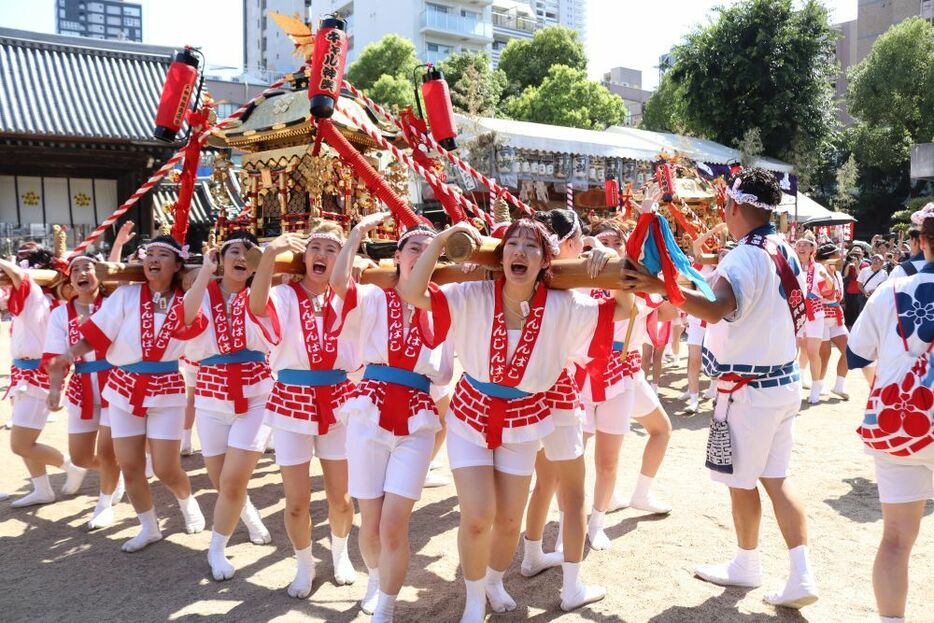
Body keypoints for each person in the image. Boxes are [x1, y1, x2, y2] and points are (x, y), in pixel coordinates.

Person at [399, 218, 631, 620]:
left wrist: (609, 259)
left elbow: (623, 312)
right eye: (512, 244)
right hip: (472, 412)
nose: (520, 251)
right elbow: (413, 291)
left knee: (509, 520)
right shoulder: (472, 293)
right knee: (477, 515)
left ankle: (493, 580)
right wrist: (442, 239)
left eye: (532, 246)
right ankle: (473, 600)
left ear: (545, 262)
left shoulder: (566, 305)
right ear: (500, 254)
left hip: (525, 417)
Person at [621, 168, 818, 609]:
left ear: (732, 207)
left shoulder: (745, 256)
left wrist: (659, 286)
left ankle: (748, 564)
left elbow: (715, 309)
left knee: (742, 483)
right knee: (775, 479)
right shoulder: (782, 248)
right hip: (782, 383)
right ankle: (800, 572)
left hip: (747, 390)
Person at [330, 214, 453, 622]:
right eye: (413, 247)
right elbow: (338, 285)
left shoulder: (445, 305)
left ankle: (385, 607)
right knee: (370, 523)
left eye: (429, 248)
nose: (421, 253)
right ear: (397, 256)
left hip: (417, 416)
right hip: (369, 410)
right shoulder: (371, 298)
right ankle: (373, 579)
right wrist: (355, 237)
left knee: (394, 524)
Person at [52, 235, 205, 552]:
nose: (154, 258)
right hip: (123, 388)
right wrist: (70, 354)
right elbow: (96, 334)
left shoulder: (186, 299)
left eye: (163, 254)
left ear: (177, 265)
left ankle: (188, 503)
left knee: (165, 467)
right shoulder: (125, 295)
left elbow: (191, 326)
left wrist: (197, 278)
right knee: (130, 464)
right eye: (150, 253)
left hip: (166, 389)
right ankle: (148, 527)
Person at [249, 222, 357, 598]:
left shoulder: (349, 296)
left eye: (332, 249)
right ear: (304, 256)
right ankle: (304, 562)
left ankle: (341, 554)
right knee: (295, 501)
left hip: (339, 399)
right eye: (316, 247)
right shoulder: (283, 294)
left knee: (340, 496)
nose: (322, 255)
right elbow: (256, 305)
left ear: (341, 259)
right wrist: (268, 254)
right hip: (291, 400)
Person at [520, 209, 614, 602]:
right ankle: (572, 587)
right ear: (571, 244)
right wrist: (606, 265)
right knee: (573, 493)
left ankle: (531, 556)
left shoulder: (517, 278)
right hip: (558, 394)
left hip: (521, 394)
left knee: (544, 482)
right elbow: (617, 324)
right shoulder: (572, 293)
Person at [846, 202, 933, 623]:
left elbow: (857, 351)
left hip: (900, 424)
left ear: (921, 242)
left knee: (896, 539)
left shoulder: (891, 290)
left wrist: (893, 384)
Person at [180, 230, 274, 582]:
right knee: (221, 480)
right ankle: (248, 514)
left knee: (232, 480)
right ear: (221, 259)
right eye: (232, 251)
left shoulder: (264, 293)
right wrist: (205, 270)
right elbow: (186, 319)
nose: (240, 257)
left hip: (256, 396)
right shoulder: (202, 294)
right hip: (210, 396)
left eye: (248, 253)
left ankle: (216, 549)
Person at [574, 218, 672, 554]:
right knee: (573, 453)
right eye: (602, 240)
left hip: (626, 371)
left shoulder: (635, 277)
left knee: (656, 431)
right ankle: (576, 516)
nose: (609, 247)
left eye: (617, 242)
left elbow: (665, 310)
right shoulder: (576, 275)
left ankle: (632, 498)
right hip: (585, 372)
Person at [2, 245, 85, 507]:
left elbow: (17, 274)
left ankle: (70, 466)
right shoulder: (51, 301)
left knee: (21, 444)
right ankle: (42, 489)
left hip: (36, 376)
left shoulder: (36, 295)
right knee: (26, 439)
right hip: (24, 374)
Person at [44, 253, 123, 528]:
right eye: (75, 269)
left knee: (107, 452)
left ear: (98, 274)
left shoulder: (114, 304)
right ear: (70, 281)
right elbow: (55, 358)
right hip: (81, 388)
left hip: (115, 384)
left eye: (87, 267)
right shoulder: (59, 314)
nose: (81, 272)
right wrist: (55, 390)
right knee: (80, 457)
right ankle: (117, 473)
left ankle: (104, 502)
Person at [794, 233, 828, 404]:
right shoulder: (790, 266)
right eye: (799, 244)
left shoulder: (819, 269)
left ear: (813, 249)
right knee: (793, 351)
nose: (801, 247)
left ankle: (816, 387)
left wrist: (828, 279)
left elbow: (829, 292)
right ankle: (794, 384)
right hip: (795, 312)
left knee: (813, 351)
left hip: (814, 312)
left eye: (805, 245)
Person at [814, 243, 849, 400]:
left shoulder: (837, 273)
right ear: (828, 257)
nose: (840, 257)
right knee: (824, 355)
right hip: (821, 317)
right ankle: (817, 387)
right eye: (836, 255)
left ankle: (839, 386)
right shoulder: (818, 272)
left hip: (836, 317)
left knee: (850, 349)